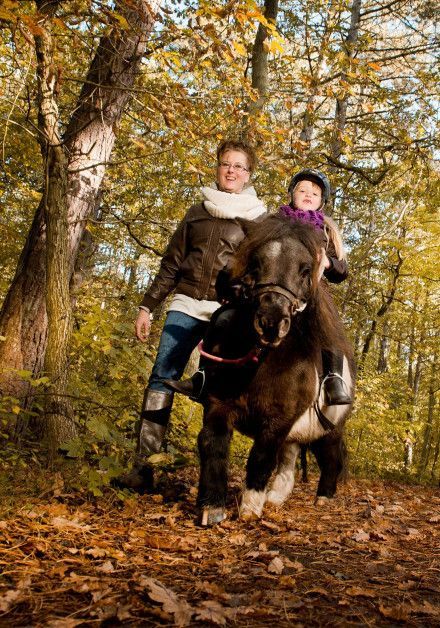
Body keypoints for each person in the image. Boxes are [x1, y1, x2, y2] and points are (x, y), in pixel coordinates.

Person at [115, 140, 266, 492]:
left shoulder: (258, 219)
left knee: (213, 392)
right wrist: (146, 306)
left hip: (225, 314)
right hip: (184, 304)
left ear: (248, 175)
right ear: (217, 168)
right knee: (161, 376)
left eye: (239, 166)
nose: (231, 170)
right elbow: (171, 264)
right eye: (226, 164)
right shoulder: (196, 212)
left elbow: (260, 273)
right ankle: (144, 469)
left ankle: (209, 478)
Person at [168, 168, 352, 406]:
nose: (308, 195)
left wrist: (327, 262)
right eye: (302, 190)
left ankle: (333, 378)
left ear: (321, 202)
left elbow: (342, 270)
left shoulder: (326, 232)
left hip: (309, 290)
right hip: (268, 286)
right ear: (292, 194)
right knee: (223, 317)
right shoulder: (272, 222)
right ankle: (204, 377)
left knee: (330, 325)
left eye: (315, 193)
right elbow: (248, 254)